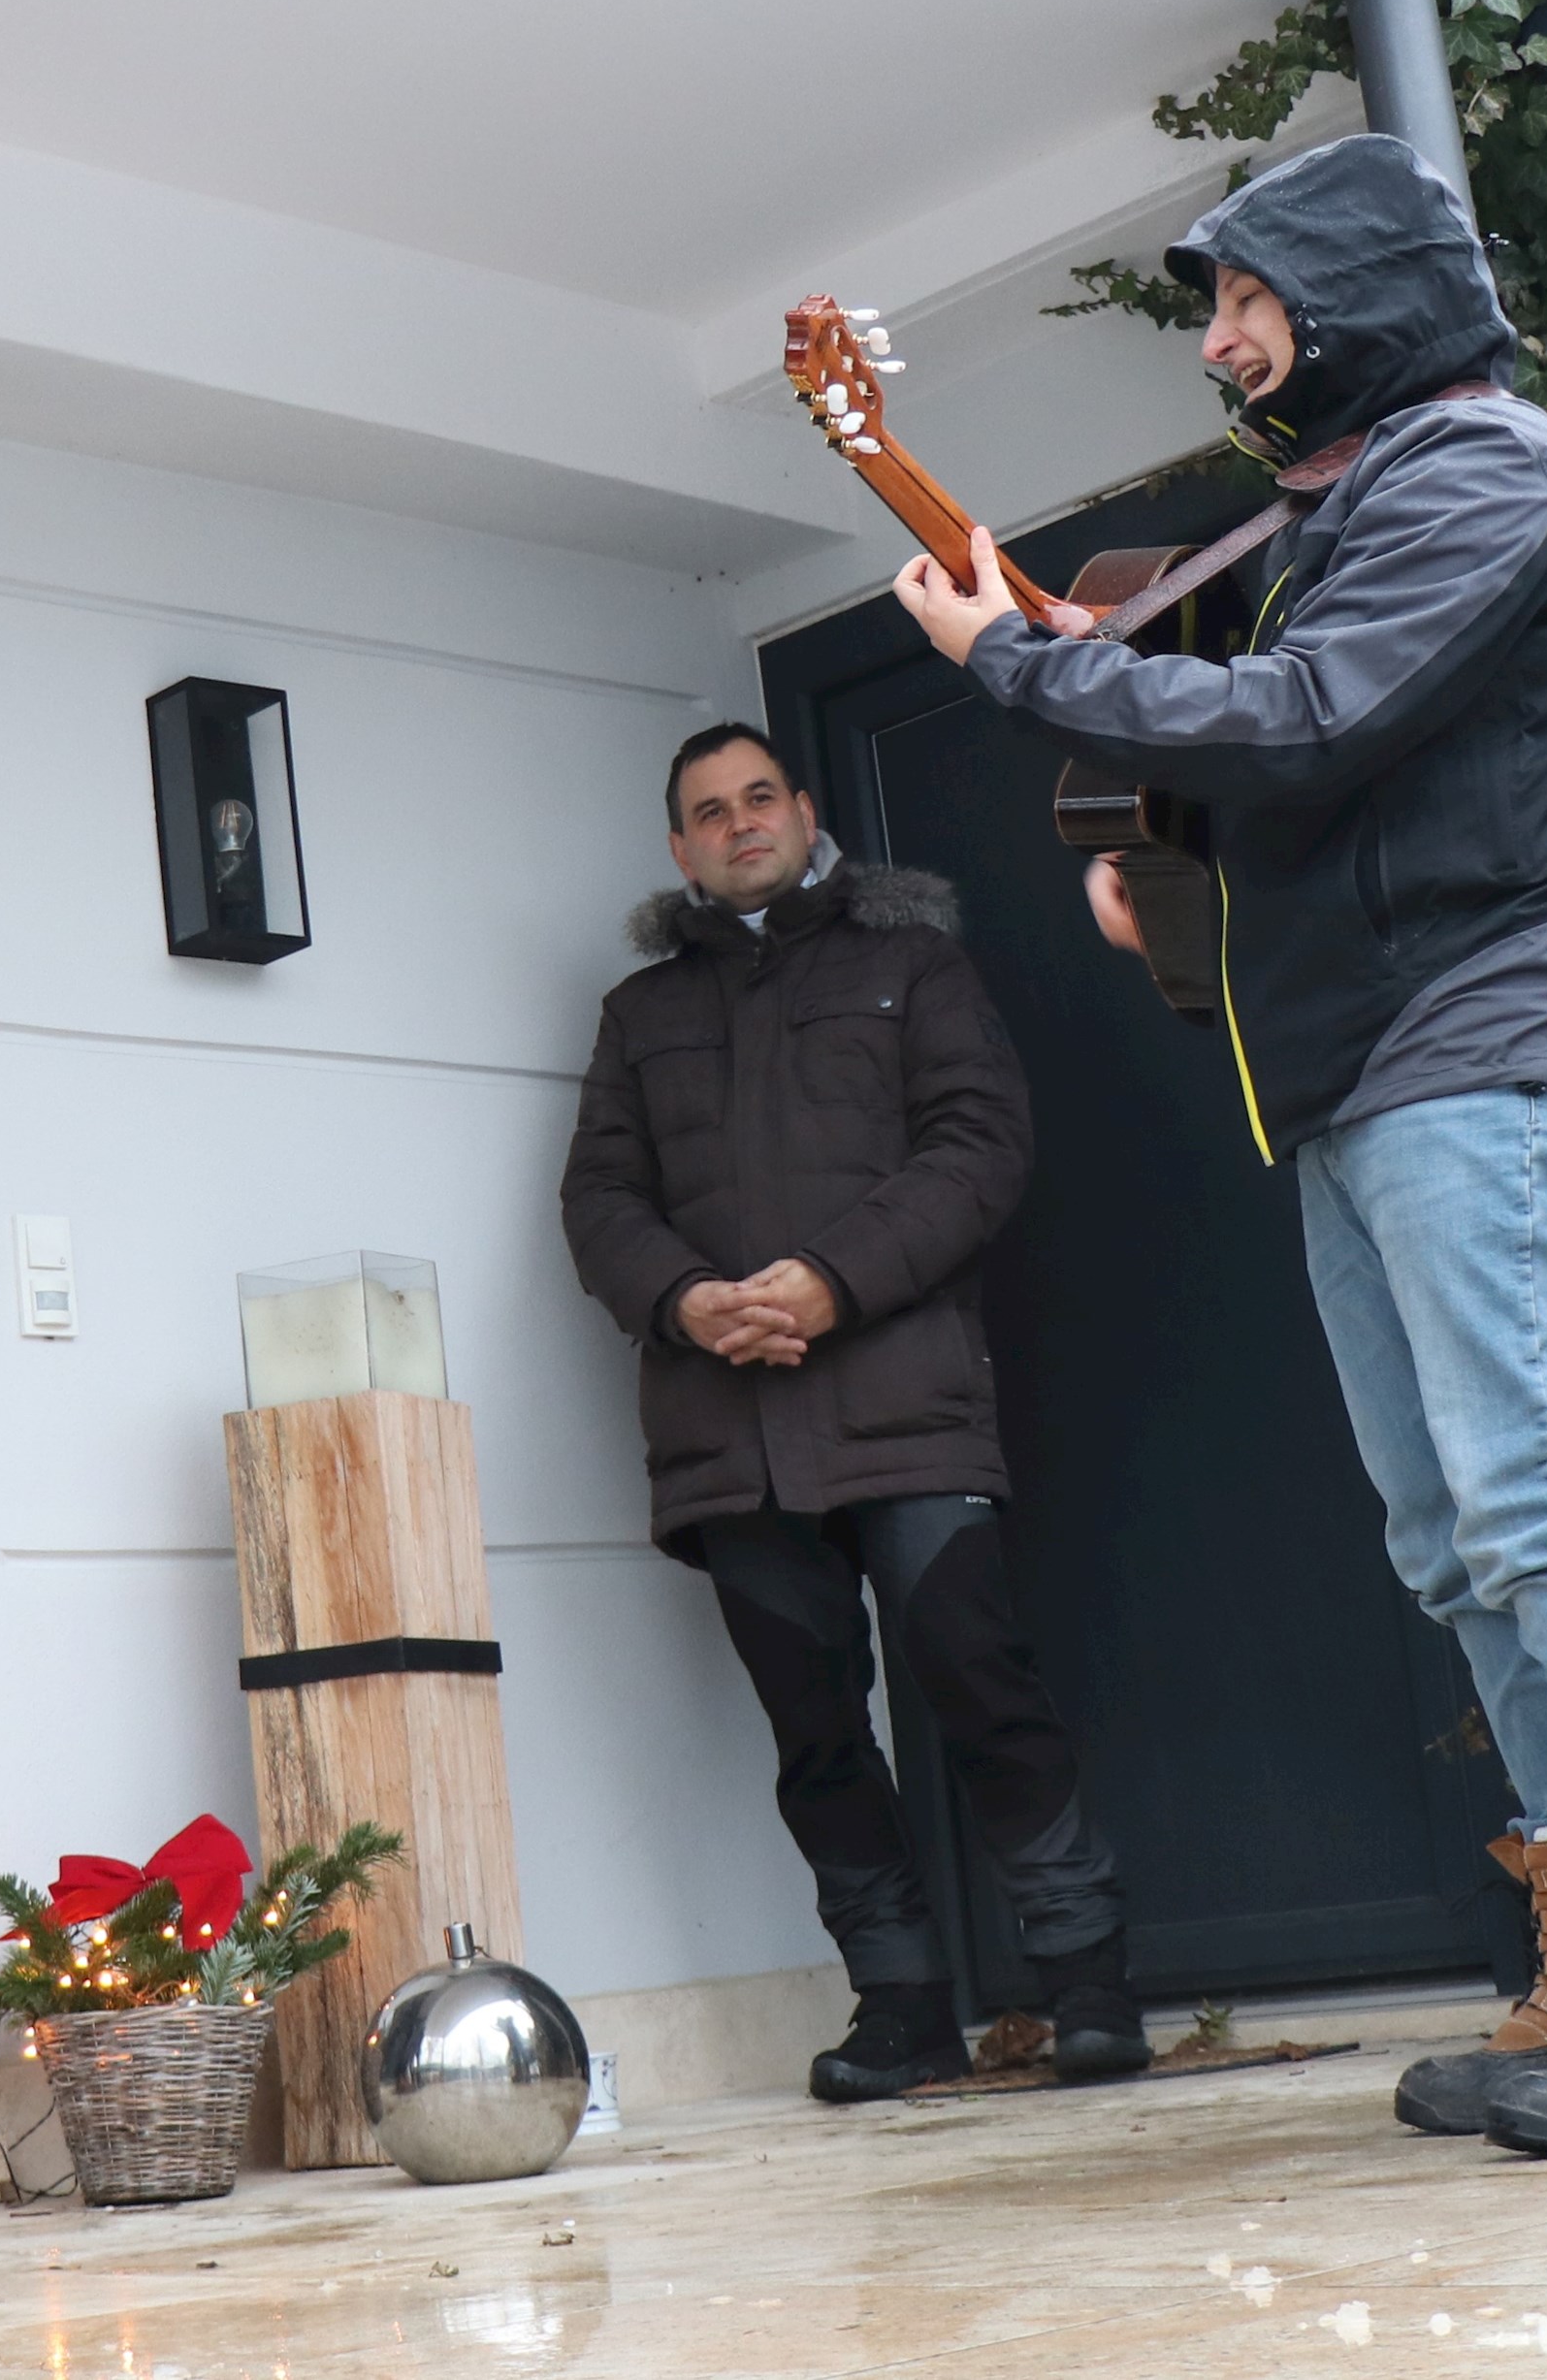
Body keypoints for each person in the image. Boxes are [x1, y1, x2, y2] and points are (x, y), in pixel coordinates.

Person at [893, 131, 1547, 2157]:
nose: (1219, 348)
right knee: (1448, 1530)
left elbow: (1312, 719)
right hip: (1360, 1069)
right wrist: (1178, 868)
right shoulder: (1369, 504)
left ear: (1350, 300)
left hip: (1479, 1048)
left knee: (1538, 1496)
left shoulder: (1482, 468)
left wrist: (1013, 663)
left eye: (1239, 304)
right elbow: (1345, 778)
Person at [562, 723, 1149, 2099]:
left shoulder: (910, 966)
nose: (740, 822)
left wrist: (831, 1283)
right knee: (816, 1733)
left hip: (905, 1406)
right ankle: (899, 2008)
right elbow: (599, 1205)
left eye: (760, 796)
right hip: (730, 1435)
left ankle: (1087, 1983)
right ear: (680, 846)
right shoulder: (636, 1016)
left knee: (981, 1690)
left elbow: (981, 1144)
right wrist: (689, 1302)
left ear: (805, 810)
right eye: (708, 809)